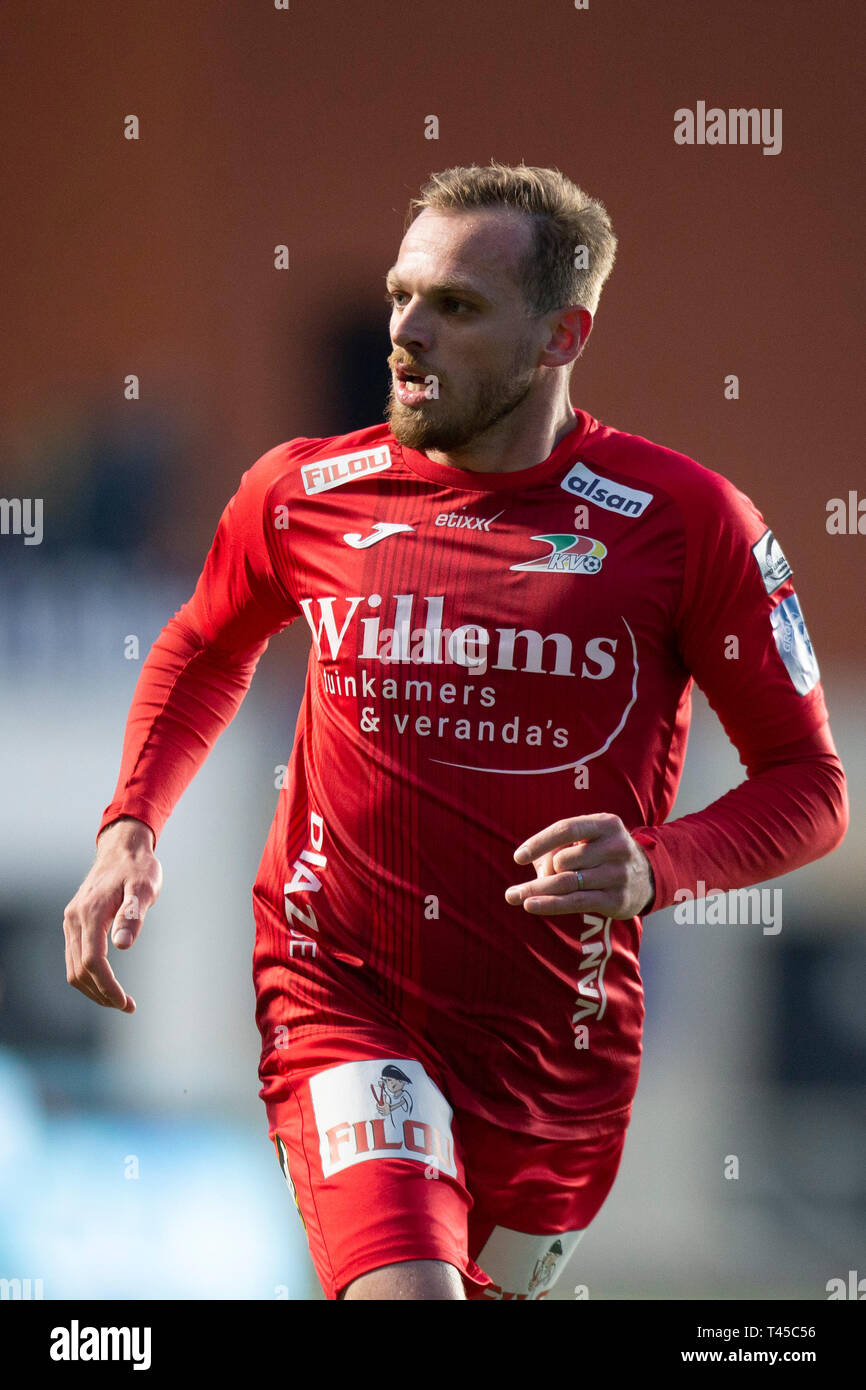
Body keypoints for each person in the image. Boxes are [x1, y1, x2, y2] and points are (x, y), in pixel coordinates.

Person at [63, 161, 848, 1301]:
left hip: (558, 1056)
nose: (407, 332)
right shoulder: (303, 491)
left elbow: (811, 788)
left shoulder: (688, 524)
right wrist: (130, 823)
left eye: (456, 307)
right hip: (339, 1000)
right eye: (400, 295)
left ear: (560, 334)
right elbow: (202, 645)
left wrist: (656, 862)